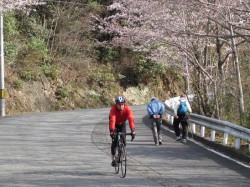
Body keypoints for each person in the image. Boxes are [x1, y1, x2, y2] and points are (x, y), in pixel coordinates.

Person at [109, 96, 136, 167]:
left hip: (122, 123)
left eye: (122, 104)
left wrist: (133, 130)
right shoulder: (113, 109)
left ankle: (120, 154)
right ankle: (113, 159)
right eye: (119, 105)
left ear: (124, 104)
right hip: (114, 124)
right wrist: (112, 131)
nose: (121, 106)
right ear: (116, 104)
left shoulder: (127, 109)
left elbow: (131, 119)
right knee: (114, 142)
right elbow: (112, 120)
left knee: (123, 139)